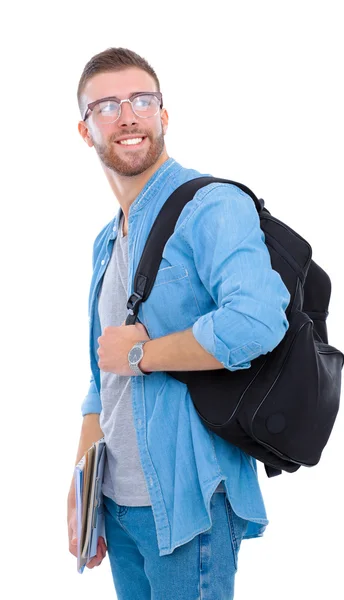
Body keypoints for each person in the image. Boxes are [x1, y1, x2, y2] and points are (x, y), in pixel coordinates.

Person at [67, 47, 291, 600]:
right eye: (108, 105)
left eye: (142, 100)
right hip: (117, 506)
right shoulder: (105, 241)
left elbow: (257, 321)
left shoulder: (209, 205)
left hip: (189, 504)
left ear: (163, 115)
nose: (128, 115)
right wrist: (82, 487)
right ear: (85, 128)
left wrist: (144, 353)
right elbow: (102, 377)